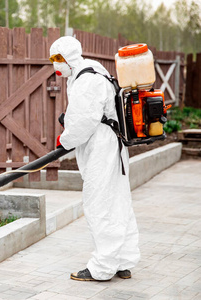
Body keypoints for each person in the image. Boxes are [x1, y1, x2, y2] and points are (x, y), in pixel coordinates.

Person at [49, 36, 140, 281]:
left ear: (69, 57)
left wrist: (65, 140)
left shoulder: (86, 80)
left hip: (102, 147)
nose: (56, 65)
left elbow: (83, 121)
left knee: (99, 203)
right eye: (53, 60)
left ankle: (102, 267)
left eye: (58, 59)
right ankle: (123, 261)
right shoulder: (92, 71)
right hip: (112, 145)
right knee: (118, 201)